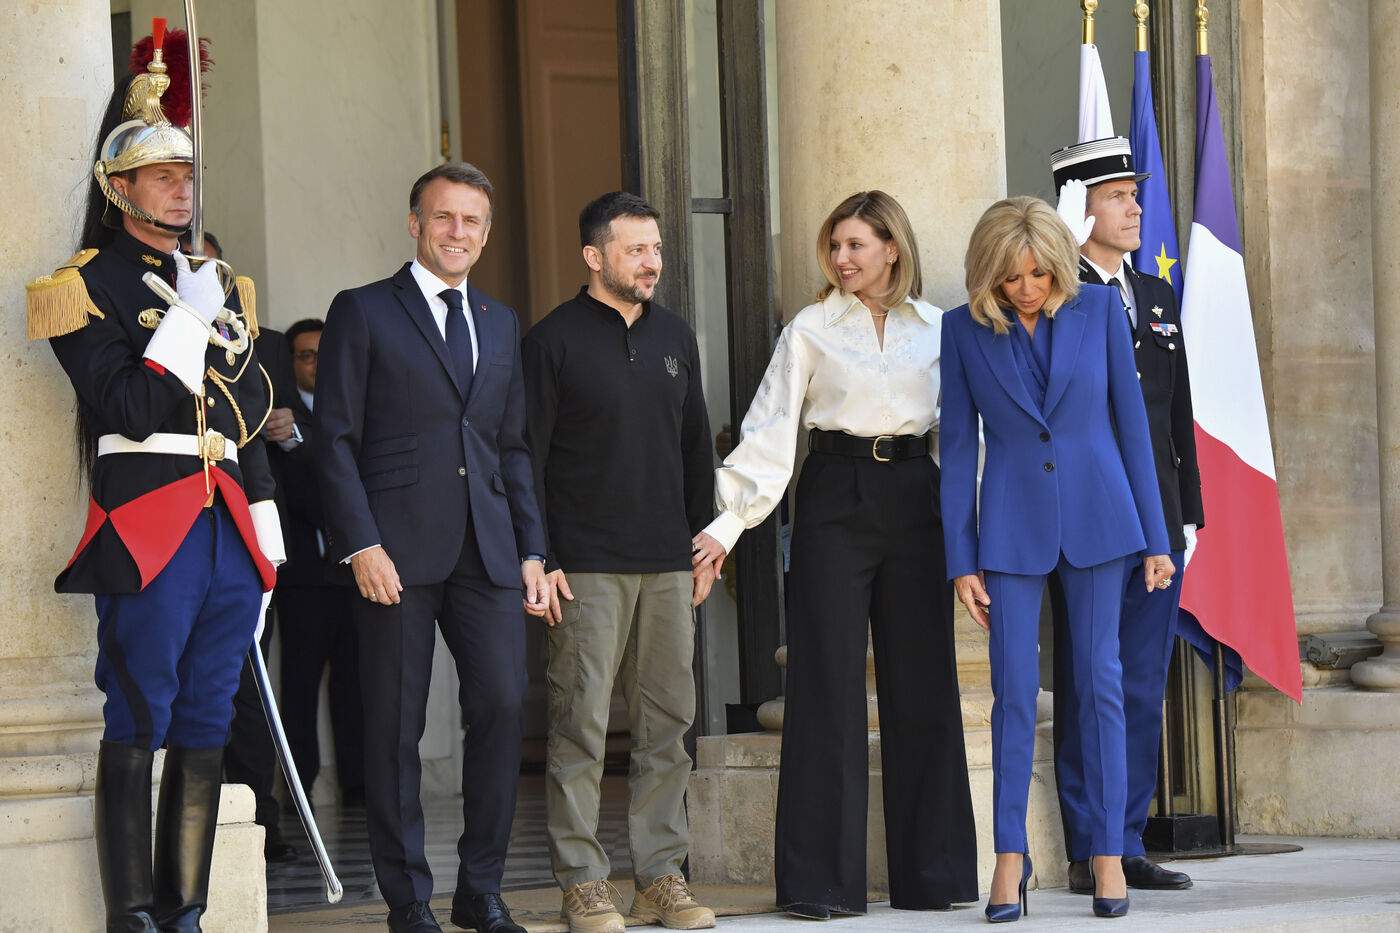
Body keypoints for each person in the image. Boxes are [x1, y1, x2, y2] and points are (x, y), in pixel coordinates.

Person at [27, 29, 284, 932]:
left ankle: (187, 911)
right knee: (142, 707)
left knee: (210, 714)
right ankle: (131, 912)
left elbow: (249, 407)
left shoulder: (217, 282)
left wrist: (266, 530)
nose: (182, 188)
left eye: (187, 174)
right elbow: (128, 405)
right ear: (119, 187)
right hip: (151, 520)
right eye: (162, 176)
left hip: (227, 524)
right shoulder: (84, 285)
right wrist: (186, 322)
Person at [691, 191, 979, 919]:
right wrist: (727, 526)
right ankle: (820, 884)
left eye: (856, 245)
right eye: (836, 246)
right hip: (833, 494)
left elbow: (963, 438)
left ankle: (935, 875)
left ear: (892, 248)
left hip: (917, 494)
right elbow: (770, 430)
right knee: (824, 686)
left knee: (924, 684)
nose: (842, 259)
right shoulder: (810, 329)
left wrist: (976, 538)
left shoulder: (940, 330)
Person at [315, 161, 549, 933]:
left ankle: (481, 889)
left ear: (486, 232)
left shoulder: (500, 320)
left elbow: (511, 446)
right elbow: (334, 438)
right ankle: (408, 899)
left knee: (503, 704)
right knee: (394, 728)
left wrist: (532, 548)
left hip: (489, 549)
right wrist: (359, 543)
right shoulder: (362, 310)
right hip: (394, 552)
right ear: (415, 223)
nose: (457, 232)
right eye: (443, 216)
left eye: (471, 220)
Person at [939, 196, 1174, 922]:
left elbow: (1133, 429)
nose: (1027, 288)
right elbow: (957, 451)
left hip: (1101, 517)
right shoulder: (961, 329)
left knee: (1101, 682)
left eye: (1039, 273)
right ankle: (1010, 857)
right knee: (1012, 691)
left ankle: (1107, 851)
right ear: (989, 275)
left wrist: (1157, 538)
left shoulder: (1099, 312)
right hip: (1010, 528)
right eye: (1012, 277)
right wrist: (961, 559)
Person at [523, 192, 717, 933]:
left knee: (669, 725)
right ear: (593, 256)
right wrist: (541, 555)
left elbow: (694, 447)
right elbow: (528, 460)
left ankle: (660, 875)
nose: (651, 262)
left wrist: (705, 542)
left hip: (668, 562)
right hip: (585, 566)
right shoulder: (552, 341)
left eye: (655, 248)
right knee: (580, 724)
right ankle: (583, 882)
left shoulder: (675, 335)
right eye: (636, 249)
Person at [1050, 137, 1203, 894]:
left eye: (1133, 194)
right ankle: (1091, 845)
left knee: (1141, 681)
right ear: (1079, 209)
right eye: (1117, 196)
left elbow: (1176, 413)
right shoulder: (1053, 295)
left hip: (1158, 518)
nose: (1136, 207)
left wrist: (1190, 514)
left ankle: (1129, 837)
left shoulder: (1156, 294)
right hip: (1088, 518)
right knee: (1089, 680)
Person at [275, 317, 365, 807]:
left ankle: (359, 783)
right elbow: (300, 491)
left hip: (355, 574)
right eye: (307, 355)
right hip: (305, 578)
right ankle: (299, 789)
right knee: (300, 685)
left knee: (356, 683)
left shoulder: (354, 408)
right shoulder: (279, 419)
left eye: (324, 353)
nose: (317, 364)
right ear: (291, 363)